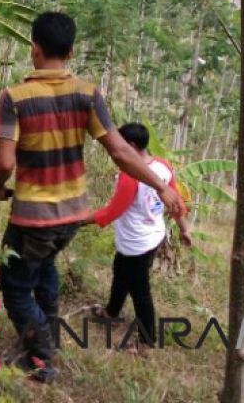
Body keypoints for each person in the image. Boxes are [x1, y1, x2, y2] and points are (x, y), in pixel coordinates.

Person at [0, 11, 184, 383]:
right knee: (44, 268)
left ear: (34, 49)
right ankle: (49, 335)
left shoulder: (14, 97)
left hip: (34, 218)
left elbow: (4, 161)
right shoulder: (88, 94)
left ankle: (41, 358)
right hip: (73, 215)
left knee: (15, 287)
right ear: (72, 51)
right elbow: (123, 152)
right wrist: (161, 185)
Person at [88, 122, 191, 352]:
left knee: (139, 291)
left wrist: (82, 219)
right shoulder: (162, 166)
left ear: (131, 146)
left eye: (121, 145)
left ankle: (146, 342)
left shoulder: (129, 177)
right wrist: (184, 229)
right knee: (120, 270)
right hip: (152, 236)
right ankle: (111, 312)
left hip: (136, 242)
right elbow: (176, 201)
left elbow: (113, 211)